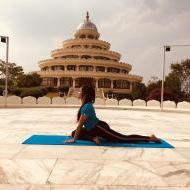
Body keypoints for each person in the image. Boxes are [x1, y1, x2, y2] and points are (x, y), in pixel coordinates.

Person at [64, 85, 161, 144]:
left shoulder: (87, 107)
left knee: (122, 138)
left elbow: (80, 125)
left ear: (85, 94)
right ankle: (94, 138)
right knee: (74, 133)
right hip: (92, 130)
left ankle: (149, 138)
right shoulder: (85, 105)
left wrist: (74, 140)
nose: (78, 92)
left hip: (100, 128)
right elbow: (79, 128)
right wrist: (77, 137)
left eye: (80, 91)